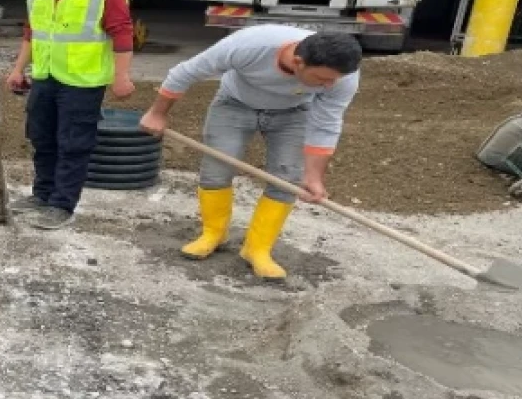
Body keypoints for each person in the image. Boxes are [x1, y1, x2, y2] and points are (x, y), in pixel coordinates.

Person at [139, 25, 362, 279]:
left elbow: (326, 124)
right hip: (235, 104)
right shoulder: (250, 45)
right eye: (323, 79)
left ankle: (257, 249)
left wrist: (313, 177)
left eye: (333, 80)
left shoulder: (343, 77)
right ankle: (213, 233)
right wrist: (157, 113)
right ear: (298, 62)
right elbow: (185, 73)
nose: (330, 85)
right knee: (216, 171)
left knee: (287, 179)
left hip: (295, 113)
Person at [4, 0, 136, 230]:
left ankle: (62, 204)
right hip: (45, 76)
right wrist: (18, 69)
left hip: (82, 81)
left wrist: (121, 75)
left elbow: (123, 33)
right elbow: (32, 33)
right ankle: (42, 195)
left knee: (73, 144)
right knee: (41, 138)